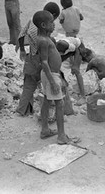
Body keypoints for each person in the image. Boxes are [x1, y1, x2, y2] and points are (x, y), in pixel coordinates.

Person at [34, 10, 79, 144]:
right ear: (43, 25)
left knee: (47, 100)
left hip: (51, 74)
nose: (54, 25)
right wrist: (53, 81)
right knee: (59, 104)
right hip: (50, 75)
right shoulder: (43, 41)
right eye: (51, 22)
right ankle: (61, 136)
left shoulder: (47, 39)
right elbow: (44, 62)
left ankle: (45, 130)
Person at [15, 2, 61, 116]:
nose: (53, 24)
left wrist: (22, 49)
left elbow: (22, 34)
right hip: (38, 59)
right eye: (52, 21)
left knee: (29, 83)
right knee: (34, 84)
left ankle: (25, 109)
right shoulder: (42, 34)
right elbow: (44, 55)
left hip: (31, 56)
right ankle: (28, 110)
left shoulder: (33, 19)